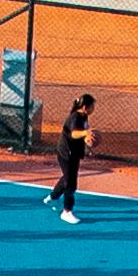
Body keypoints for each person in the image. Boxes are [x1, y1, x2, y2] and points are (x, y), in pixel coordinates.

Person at [46, 94, 95, 224]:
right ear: (85, 107)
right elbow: (74, 133)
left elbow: (83, 133)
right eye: (92, 106)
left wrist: (87, 142)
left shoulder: (84, 116)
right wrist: (85, 133)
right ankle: (67, 212)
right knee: (71, 183)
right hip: (66, 153)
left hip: (75, 153)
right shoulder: (75, 117)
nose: (93, 108)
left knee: (69, 177)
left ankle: (53, 197)